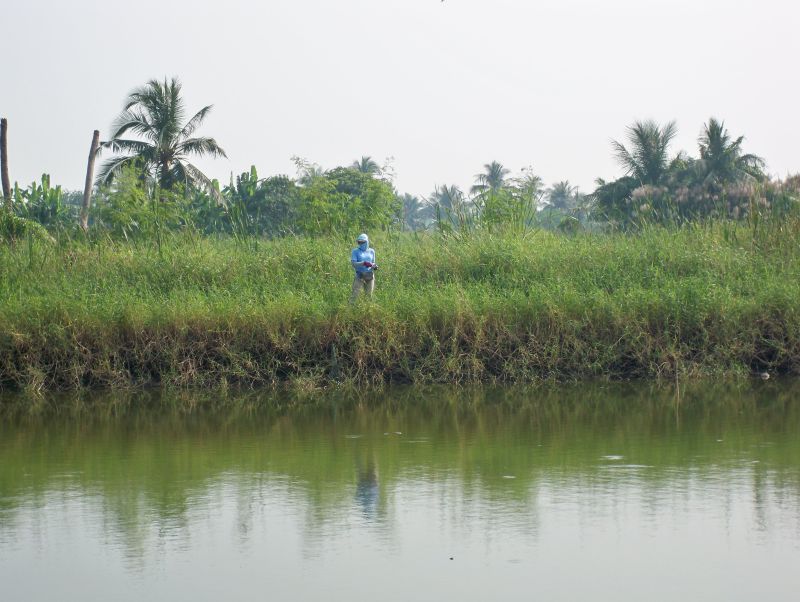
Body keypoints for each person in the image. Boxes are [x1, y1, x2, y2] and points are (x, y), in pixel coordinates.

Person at [350, 233, 376, 302]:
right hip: (359, 276)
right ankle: (350, 309)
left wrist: (374, 266)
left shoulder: (372, 251)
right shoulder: (355, 251)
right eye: (359, 242)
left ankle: (368, 310)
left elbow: (373, 262)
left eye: (362, 242)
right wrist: (363, 263)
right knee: (355, 295)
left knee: (369, 296)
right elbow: (353, 264)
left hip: (370, 275)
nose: (360, 244)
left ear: (367, 242)